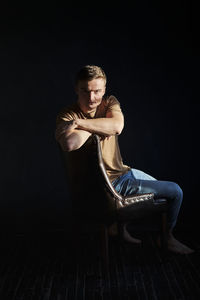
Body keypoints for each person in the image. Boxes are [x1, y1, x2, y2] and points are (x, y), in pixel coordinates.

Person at [55, 65, 193, 254]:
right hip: (109, 185)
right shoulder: (67, 114)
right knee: (175, 192)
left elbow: (117, 126)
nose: (92, 98)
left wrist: (80, 124)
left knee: (162, 192)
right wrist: (100, 126)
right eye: (85, 91)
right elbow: (70, 143)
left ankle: (117, 228)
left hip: (123, 173)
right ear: (76, 89)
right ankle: (166, 239)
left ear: (104, 90)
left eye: (97, 91)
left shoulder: (108, 103)